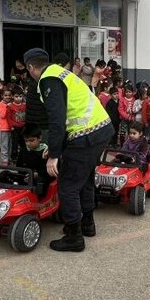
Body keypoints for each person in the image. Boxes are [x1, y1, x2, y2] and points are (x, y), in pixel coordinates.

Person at [24, 47, 114, 252]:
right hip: (101, 129)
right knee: (85, 179)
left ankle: (74, 237)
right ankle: (87, 225)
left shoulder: (48, 80)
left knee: (68, 185)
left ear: (30, 67)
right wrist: (56, 148)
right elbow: (66, 117)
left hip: (86, 134)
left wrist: (54, 155)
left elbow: (57, 120)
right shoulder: (60, 72)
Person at [14, 123, 52, 199]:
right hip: (26, 176)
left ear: (40, 138)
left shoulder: (46, 152)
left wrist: (35, 175)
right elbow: (19, 167)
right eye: (26, 141)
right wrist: (24, 175)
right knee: (4, 175)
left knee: (39, 183)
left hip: (41, 177)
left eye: (31, 140)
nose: (28, 143)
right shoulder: (23, 151)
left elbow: (49, 172)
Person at [8, 86, 27, 163]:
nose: (19, 98)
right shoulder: (10, 106)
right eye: (16, 96)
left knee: (23, 143)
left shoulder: (24, 105)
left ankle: (23, 157)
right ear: (12, 96)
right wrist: (11, 126)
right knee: (15, 143)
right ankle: (13, 157)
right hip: (15, 128)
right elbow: (8, 118)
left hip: (23, 127)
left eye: (20, 96)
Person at [0, 87, 13, 165]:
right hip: (3, 129)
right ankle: (4, 160)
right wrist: (7, 107)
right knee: (4, 145)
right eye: (5, 95)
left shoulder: (12, 103)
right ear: (2, 96)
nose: (8, 97)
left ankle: (9, 158)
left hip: (11, 128)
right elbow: (2, 115)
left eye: (9, 95)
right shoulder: (0, 104)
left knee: (10, 145)